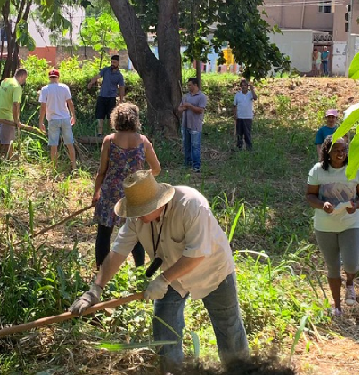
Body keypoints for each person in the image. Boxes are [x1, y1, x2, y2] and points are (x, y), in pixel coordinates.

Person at [71, 170, 249, 374]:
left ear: (158, 202)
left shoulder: (191, 205)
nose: (137, 217)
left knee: (228, 327)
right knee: (164, 324)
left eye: (142, 211)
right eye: (135, 211)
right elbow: (118, 252)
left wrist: (163, 279)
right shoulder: (136, 218)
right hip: (173, 276)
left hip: (213, 271)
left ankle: (242, 371)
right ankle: (171, 370)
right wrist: (95, 289)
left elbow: (197, 254)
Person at [306, 136, 359, 316]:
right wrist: (322, 205)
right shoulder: (318, 171)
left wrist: (356, 205)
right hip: (324, 226)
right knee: (332, 267)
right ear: (328, 151)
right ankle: (337, 305)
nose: (340, 153)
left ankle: (350, 283)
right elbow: (310, 195)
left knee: (351, 264)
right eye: (336, 150)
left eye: (343, 150)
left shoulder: (355, 169)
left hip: (351, 224)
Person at [92, 103, 161, 270]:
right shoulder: (143, 141)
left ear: (116, 119)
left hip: (110, 191)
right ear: (135, 120)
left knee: (104, 232)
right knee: (135, 234)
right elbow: (157, 169)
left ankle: (101, 271)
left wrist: (96, 193)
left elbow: (102, 171)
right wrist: (141, 177)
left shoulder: (109, 140)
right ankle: (139, 271)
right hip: (133, 193)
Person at [38, 69, 77, 170]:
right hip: (65, 118)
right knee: (69, 143)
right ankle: (74, 167)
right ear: (58, 77)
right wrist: (73, 115)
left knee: (53, 145)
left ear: (49, 77)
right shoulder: (64, 87)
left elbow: (43, 107)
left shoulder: (45, 89)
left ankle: (54, 168)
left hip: (52, 119)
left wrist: (41, 121)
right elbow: (70, 103)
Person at [0, 68, 28, 159]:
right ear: (22, 76)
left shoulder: (6, 81)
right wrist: (16, 120)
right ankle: (10, 160)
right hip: (5, 115)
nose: (25, 81)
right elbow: (15, 105)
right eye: (25, 78)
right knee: (8, 141)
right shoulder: (17, 87)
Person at [87, 55, 125, 137]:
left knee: (110, 116)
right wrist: (91, 83)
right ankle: (99, 133)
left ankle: (109, 133)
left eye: (114, 62)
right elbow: (97, 77)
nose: (112, 63)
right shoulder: (105, 70)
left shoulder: (119, 76)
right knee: (100, 115)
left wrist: (121, 100)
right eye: (111, 62)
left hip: (111, 98)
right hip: (102, 96)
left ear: (118, 63)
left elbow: (121, 88)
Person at [178, 78, 207, 173]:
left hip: (195, 125)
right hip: (185, 124)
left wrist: (190, 106)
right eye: (188, 85)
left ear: (195, 85)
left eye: (190, 85)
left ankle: (196, 166)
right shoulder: (186, 97)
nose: (188, 87)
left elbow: (200, 110)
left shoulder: (201, 97)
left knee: (195, 146)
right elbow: (179, 109)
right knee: (186, 145)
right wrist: (184, 107)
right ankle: (187, 164)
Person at [233, 79, 257, 151]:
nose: (243, 87)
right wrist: (235, 114)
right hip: (239, 117)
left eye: (245, 85)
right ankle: (239, 148)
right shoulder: (237, 95)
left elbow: (255, 98)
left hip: (248, 117)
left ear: (247, 86)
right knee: (239, 134)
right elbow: (234, 105)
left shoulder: (250, 94)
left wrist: (252, 89)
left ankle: (249, 149)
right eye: (242, 85)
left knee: (247, 134)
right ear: (240, 86)